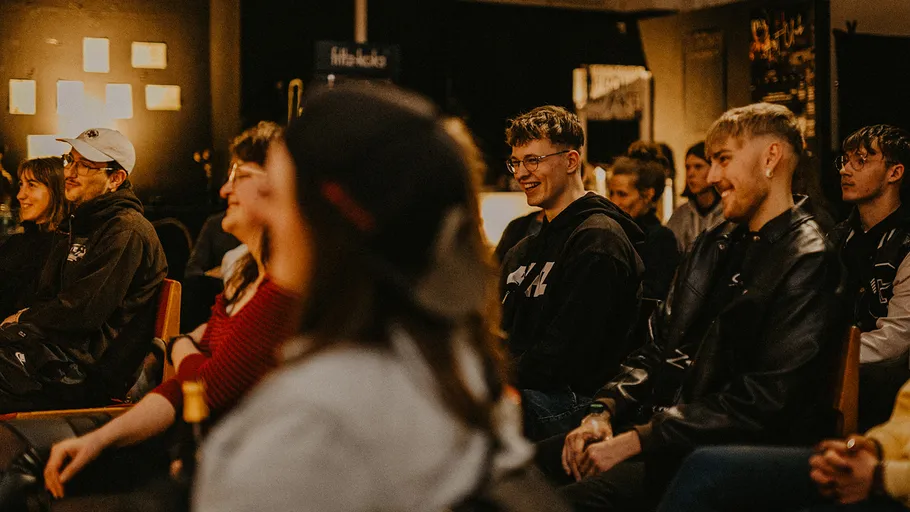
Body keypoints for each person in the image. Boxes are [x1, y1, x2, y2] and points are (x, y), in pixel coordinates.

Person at [193, 84, 538, 512]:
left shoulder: (315, 421)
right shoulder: (453, 361)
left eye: (276, 194)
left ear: (332, 220)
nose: (264, 213)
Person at [538, 103, 845, 511]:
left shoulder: (808, 258)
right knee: (511, 472)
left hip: (718, 454)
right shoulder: (713, 244)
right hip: (662, 431)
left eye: (723, 160)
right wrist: (603, 410)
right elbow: (655, 346)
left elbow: (764, 401)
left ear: (771, 158)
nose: (712, 176)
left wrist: (639, 439)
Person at [42, 121, 302, 499]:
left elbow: (209, 387)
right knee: (39, 475)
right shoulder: (243, 278)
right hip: (192, 443)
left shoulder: (282, 293)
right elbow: (185, 388)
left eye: (240, 175)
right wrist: (99, 440)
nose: (225, 188)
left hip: (242, 473)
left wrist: (182, 348)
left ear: (284, 188)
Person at [500, 105, 644, 441]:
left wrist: (491, 379)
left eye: (533, 160)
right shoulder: (524, 249)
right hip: (530, 389)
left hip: (579, 403)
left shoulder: (599, 240)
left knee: (462, 414)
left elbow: (565, 358)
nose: (521, 172)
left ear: (570, 161)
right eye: (516, 162)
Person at [0, 128, 167, 413]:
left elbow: (82, 311)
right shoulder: (78, 225)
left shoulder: (126, 229)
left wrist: (23, 318)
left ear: (115, 178)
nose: (69, 172)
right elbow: (48, 296)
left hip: (87, 372)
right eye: (70, 160)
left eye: (85, 165)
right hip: (57, 354)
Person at [656, 378, 910, 512]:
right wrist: (872, 447)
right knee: (707, 467)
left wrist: (882, 476)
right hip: (888, 468)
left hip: (896, 482)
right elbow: (905, 418)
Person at [829, 125, 910, 432]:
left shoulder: (906, 243)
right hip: (832, 367)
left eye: (861, 160)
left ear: (894, 172)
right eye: (845, 160)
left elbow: (897, 338)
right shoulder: (836, 238)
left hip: (884, 383)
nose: (846, 170)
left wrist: (831, 356)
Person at [0, 157, 66, 318]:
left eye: (32, 185)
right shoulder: (17, 242)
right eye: (21, 184)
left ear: (57, 189)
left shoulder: (67, 247)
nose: (20, 195)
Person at [609, 155, 681, 300]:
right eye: (612, 193)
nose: (614, 201)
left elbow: (653, 295)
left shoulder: (661, 238)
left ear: (648, 195)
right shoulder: (613, 232)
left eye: (622, 194)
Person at [666, 142, 724, 251]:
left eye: (698, 166)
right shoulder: (680, 215)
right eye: (687, 167)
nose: (690, 174)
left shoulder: (728, 212)